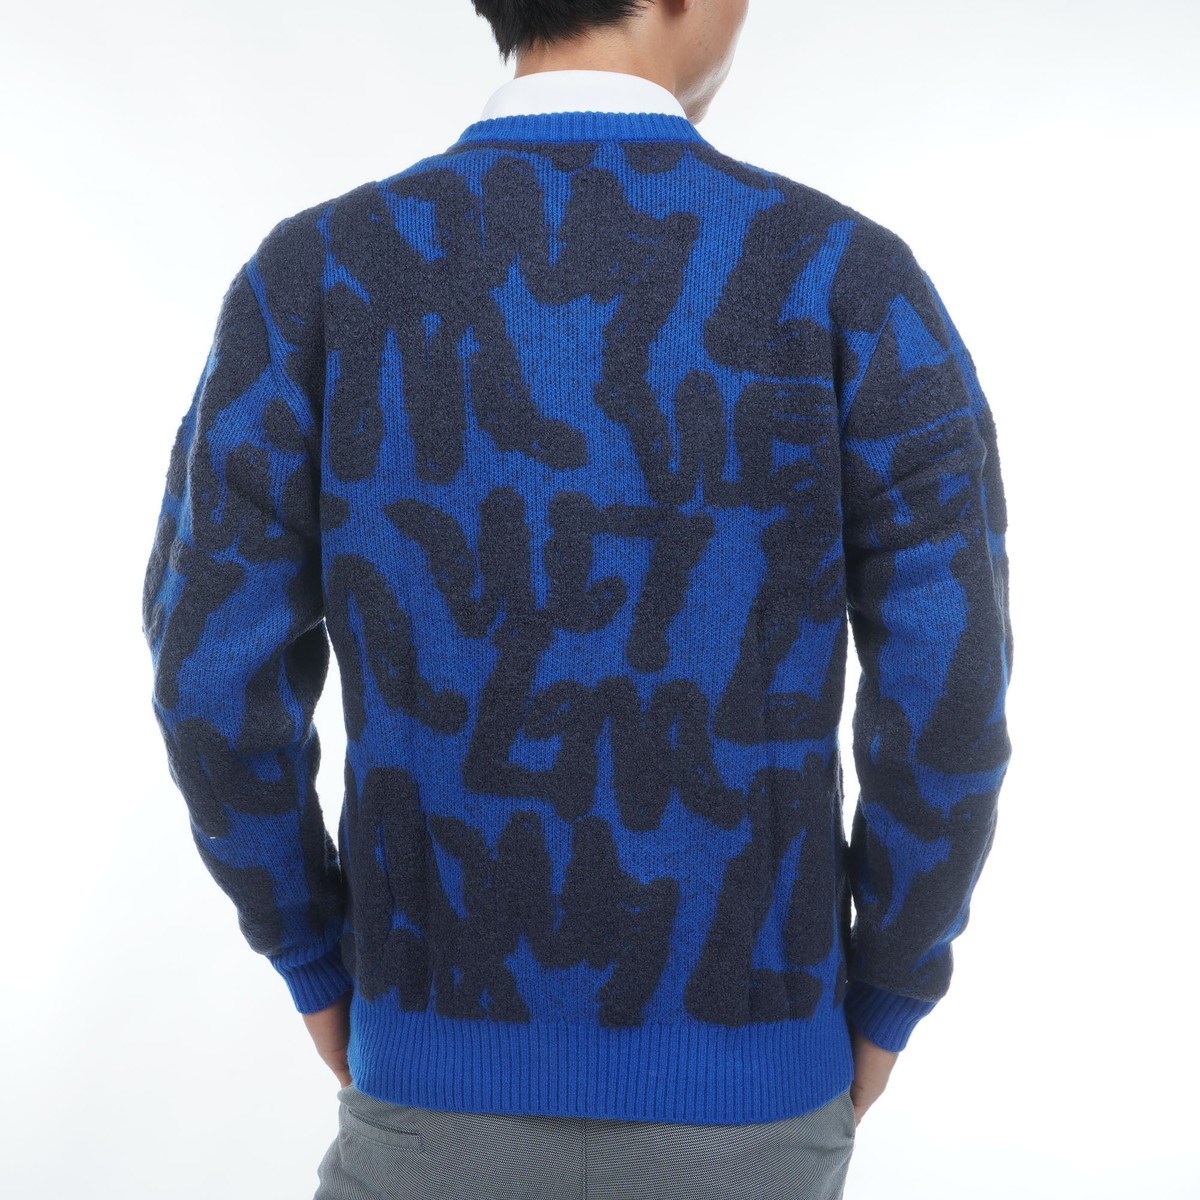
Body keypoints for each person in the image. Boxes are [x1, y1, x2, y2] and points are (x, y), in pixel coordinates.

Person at [140, 1, 1013, 1196]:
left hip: (430, 1080)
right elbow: (951, 682)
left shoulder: (315, 276)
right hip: (757, 1089)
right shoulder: (848, 279)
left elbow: (205, 673)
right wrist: (892, 985)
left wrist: (312, 954)